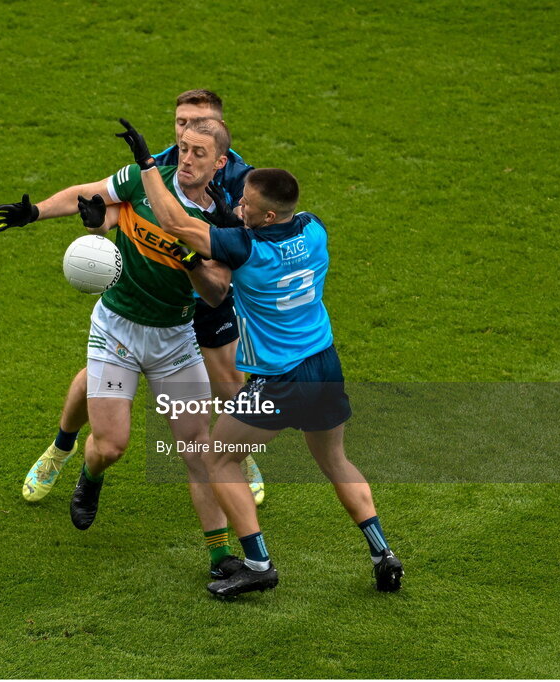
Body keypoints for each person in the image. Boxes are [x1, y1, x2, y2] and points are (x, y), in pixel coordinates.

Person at [115, 119, 405, 597]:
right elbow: (249, 222)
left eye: (248, 203)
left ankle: (257, 563)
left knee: (218, 457)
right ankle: (382, 551)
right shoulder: (313, 229)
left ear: (267, 217)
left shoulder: (247, 250)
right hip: (325, 365)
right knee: (335, 461)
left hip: (279, 379)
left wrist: (149, 165)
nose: (239, 205)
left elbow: (175, 223)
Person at [0, 118, 250, 579]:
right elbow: (87, 196)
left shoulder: (223, 225)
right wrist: (37, 213)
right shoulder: (145, 181)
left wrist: (188, 260)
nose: (186, 159)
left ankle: (220, 555)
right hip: (117, 333)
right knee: (111, 445)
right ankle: (89, 477)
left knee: (196, 448)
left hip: (176, 343)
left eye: (199, 154)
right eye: (183, 148)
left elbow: (215, 293)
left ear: (220, 163)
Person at [13, 89, 264, 508]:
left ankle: (236, 456)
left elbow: (251, 239)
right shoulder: (160, 165)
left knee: (227, 381)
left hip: (203, 294)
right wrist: (85, 218)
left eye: (199, 129)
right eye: (181, 126)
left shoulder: (242, 181)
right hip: (138, 302)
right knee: (96, 386)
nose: (187, 139)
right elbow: (118, 208)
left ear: (221, 140)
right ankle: (62, 447)